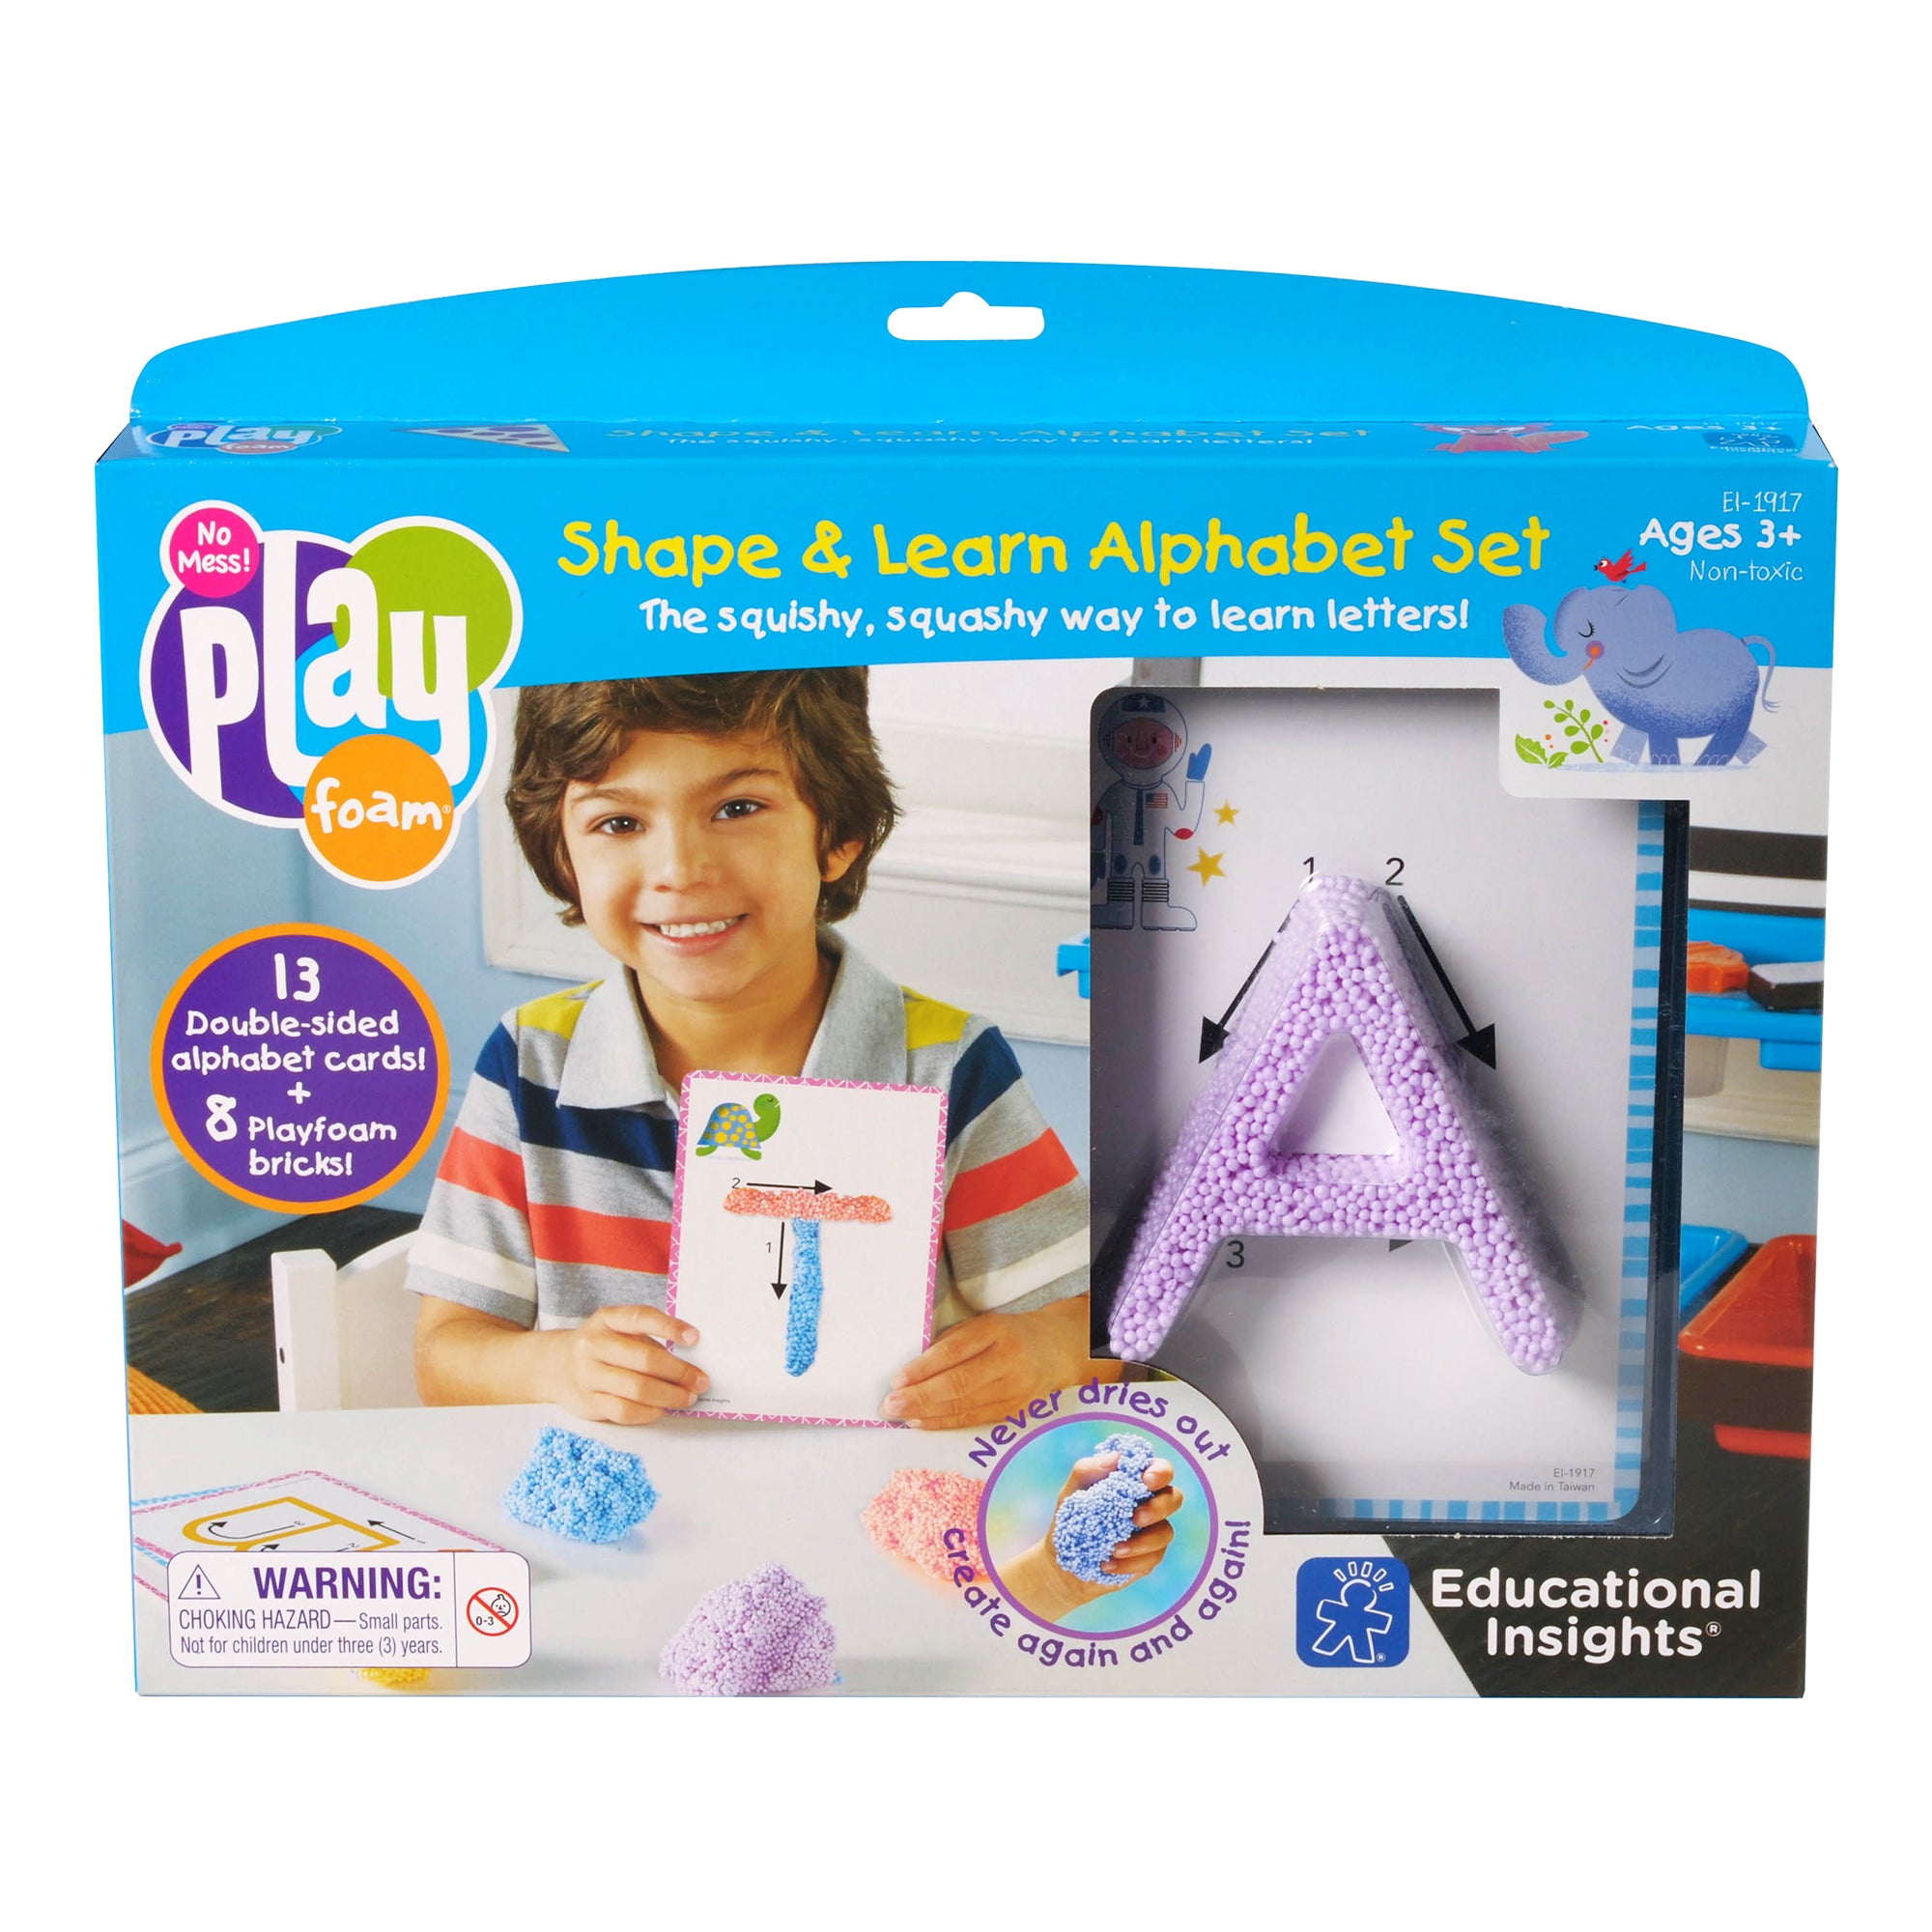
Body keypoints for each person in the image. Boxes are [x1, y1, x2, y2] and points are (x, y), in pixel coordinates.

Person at [410, 669, 1097, 1429]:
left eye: (737, 809)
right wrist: (557, 1366)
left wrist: (1047, 1354)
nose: (680, 872)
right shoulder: (529, 1064)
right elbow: (446, 1356)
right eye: (619, 823)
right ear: (563, 854)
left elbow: (1095, 1327)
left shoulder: (949, 1067)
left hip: (870, 1489)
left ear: (837, 835)